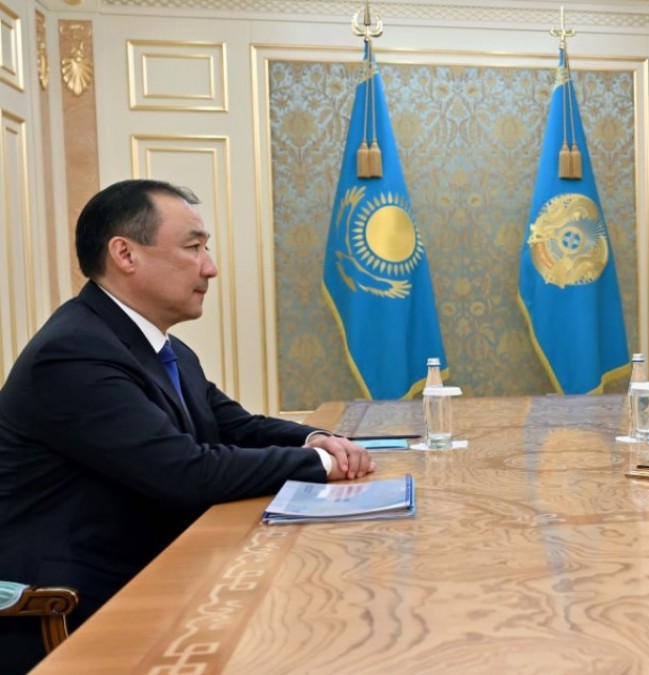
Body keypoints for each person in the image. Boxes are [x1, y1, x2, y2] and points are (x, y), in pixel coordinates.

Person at [0, 179, 375, 671]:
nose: (210, 267)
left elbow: (235, 426)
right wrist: (321, 463)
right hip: (77, 607)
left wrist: (317, 438)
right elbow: (185, 473)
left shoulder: (157, 345)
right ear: (125, 254)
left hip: (153, 569)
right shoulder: (73, 353)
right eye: (193, 247)